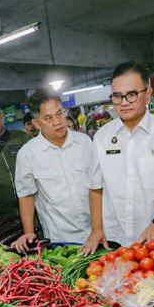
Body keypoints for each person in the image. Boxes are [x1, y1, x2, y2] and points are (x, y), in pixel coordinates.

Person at [81, 62, 154, 255]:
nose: (124, 102)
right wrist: (97, 229)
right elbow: (95, 187)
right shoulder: (102, 137)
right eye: (117, 96)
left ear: (148, 94)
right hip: (114, 240)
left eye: (131, 94)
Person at [12, 89, 94, 252]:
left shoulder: (85, 142)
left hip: (98, 232)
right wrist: (28, 233)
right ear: (36, 123)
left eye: (60, 114)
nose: (57, 122)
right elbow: (26, 196)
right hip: (61, 240)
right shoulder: (28, 154)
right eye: (48, 118)